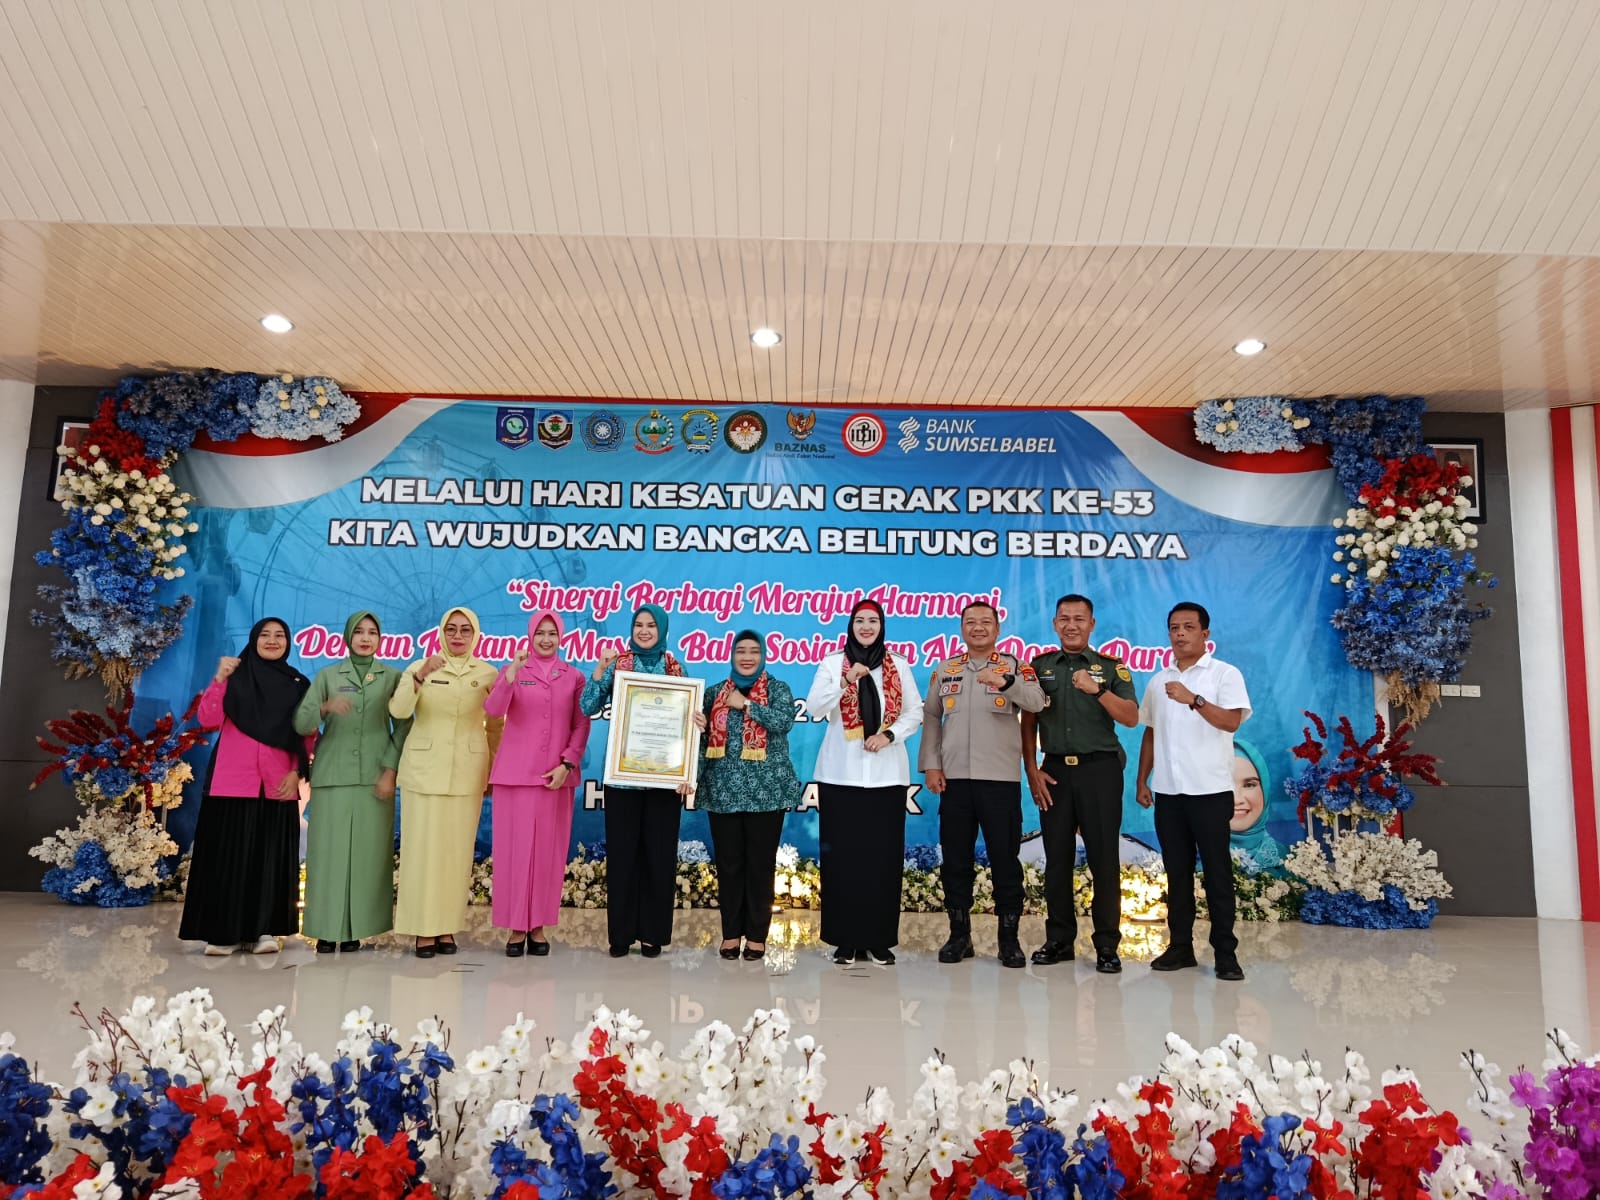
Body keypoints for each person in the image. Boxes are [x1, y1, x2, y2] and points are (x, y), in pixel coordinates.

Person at [919, 600, 1045, 969]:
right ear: (962, 628)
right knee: (955, 861)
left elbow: (1038, 702)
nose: (978, 627)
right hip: (955, 780)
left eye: (985, 622)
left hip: (999, 780)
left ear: (997, 628)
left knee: (1005, 860)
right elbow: (931, 717)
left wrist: (1008, 683)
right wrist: (931, 765)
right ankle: (959, 936)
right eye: (970, 622)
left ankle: (1009, 939)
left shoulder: (1016, 666)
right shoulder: (946, 669)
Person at [1020, 594, 1139, 973]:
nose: (1072, 625)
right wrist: (1031, 769)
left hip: (1100, 771)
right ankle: (1059, 940)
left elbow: (1131, 717)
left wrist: (1097, 690)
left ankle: (1107, 945)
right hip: (1054, 771)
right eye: (1064, 619)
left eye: (1079, 619)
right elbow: (1029, 720)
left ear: (1091, 624)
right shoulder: (1039, 667)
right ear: (1055, 624)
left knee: (1104, 859)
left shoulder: (1111, 668)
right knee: (1057, 859)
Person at [180, 617, 312, 956]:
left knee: (269, 860)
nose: (272, 640)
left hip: (278, 783)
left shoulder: (298, 684)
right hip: (232, 782)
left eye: (280, 635)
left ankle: (264, 931)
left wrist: (298, 771)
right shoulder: (234, 678)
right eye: (265, 634)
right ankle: (222, 933)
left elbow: (307, 735)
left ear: (288, 642)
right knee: (229, 859)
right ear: (254, 640)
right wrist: (219, 679)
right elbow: (208, 720)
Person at [1135, 602, 1252, 981]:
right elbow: (1150, 731)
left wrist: (1195, 700)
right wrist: (1142, 779)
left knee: (1217, 873)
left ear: (1205, 633)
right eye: (1174, 627)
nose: (1180, 633)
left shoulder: (1224, 674)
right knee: (1177, 873)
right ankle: (1180, 947)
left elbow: (1231, 721)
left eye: (1188, 627)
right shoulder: (1158, 680)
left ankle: (1225, 953)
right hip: (1168, 793)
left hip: (1210, 792)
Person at [806, 599, 924, 965]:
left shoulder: (898, 665)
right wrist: (846, 680)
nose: (866, 627)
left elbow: (914, 711)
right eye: (860, 620)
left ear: (882, 626)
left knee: (882, 861)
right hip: (839, 776)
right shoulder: (832, 663)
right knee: (842, 861)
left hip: (887, 777)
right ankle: (844, 939)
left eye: (873, 620)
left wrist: (889, 735)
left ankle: (878, 940)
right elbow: (815, 707)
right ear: (851, 625)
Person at [389, 607, 503, 958]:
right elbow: (399, 711)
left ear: (476, 634)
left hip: (468, 771)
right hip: (423, 770)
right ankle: (423, 930)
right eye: (451, 629)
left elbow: (495, 724)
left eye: (465, 630)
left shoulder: (487, 673)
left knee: (456, 854)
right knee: (421, 852)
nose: (457, 635)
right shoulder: (419, 667)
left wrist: (493, 768)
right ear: (441, 632)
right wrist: (420, 676)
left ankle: (446, 927)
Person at [294, 611, 409, 953]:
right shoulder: (328, 676)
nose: (365, 638)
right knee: (327, 855)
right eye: (359, 631)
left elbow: (405, 725)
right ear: (347, 636)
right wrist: (324, 707)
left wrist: (390, 769)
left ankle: (357, 930)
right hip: (333, 776)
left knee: (367, 857)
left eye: (372, 632)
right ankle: (325, 929)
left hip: (375, 779)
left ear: (380, 639)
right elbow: (301, 724)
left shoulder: (392, 678)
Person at [580, 603, 686, 958]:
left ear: (662, 630)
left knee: (659, 857)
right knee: (623, 856)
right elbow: (587, 707)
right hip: (622, 778)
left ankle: (653, 934)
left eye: (651, 625)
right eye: (638, 624)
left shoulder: (675, 668)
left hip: (664, 780)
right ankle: (621, 935)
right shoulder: (619, 665)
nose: (644, 631)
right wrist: (600, 669)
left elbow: (686, 722)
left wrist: (689, 758)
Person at [483, 610, 591, 957]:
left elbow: (581, 724)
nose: (546, 639)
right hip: (514, 777)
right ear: (530, 636)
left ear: (561, 637)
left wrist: (567, 763)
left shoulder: (573, 676)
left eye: (552, 633)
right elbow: (493, 709)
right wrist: (510, 675)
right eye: (540, 633)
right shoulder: (514, 670)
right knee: (513, 854)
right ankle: (516, 927)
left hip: (555, 779)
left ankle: (539, 926)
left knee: (548, 854)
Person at [697, 630, 803, 961]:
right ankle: (730, 934)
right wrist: (697, 730)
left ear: (763, 655)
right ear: (731, 655)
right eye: (740, 651)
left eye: (753, 651)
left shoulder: (778, 690)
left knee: (760, 866)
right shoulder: (714, 693)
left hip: (767, 794)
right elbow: (703, 744)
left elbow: (783, 722)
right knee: (728, 866)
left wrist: (746, 705)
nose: (747, 657)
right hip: (723, 792)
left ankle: (757, 936)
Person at [1228, 740, 1284, 869]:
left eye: (1249, 785)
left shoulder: (1296, 864)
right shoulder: (1187, 864)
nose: (1237, 799)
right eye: (1226, 786)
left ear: (1265, 790)